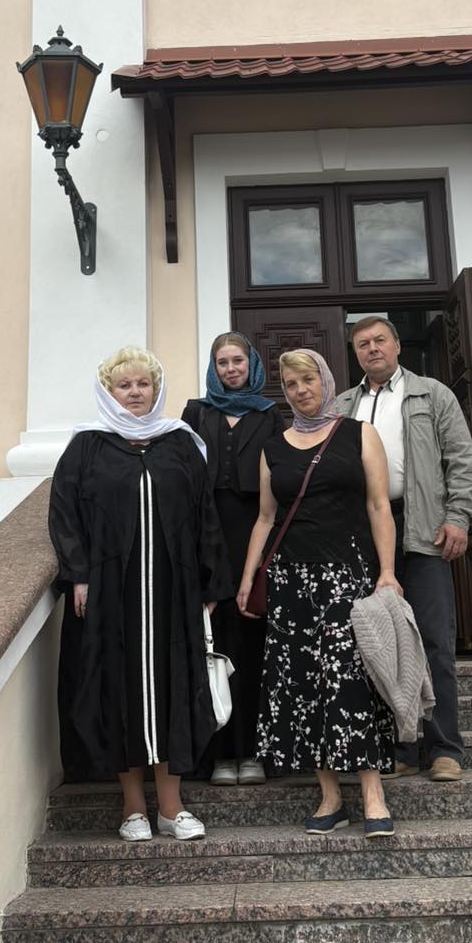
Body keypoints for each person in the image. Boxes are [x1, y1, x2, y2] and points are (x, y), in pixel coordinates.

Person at [48, 346, 232, 842]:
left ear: (156, 389)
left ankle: (171, 807)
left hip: (173, 592)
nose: (134, 393)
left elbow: (205, 516)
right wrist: (79, 575)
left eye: (143, 384)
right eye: (124, 385)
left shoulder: (180, 444)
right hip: (112, 595)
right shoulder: (87, 447)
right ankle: (133, 808)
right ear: (109, 392)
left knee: (174, 688)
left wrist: (210, 582)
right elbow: (64, 515)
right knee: (118, 690)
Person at [237, 347, 401, 837]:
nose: (300, 390)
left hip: (347, 577)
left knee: (352, 680)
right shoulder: (274, 448)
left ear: (325, 381)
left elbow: (379, 506)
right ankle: (330, 797)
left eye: (307, 380)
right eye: (291, 385)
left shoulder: (359, 434)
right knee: (302, 685)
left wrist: (387, 572)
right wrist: (247, 579)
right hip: (291, 582)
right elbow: (265, 518)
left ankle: (373, 794)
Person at [334, 316, 472, 783]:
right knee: (379, 641)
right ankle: (398, 747)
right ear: (355, 354)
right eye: (363, 344)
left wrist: (459, 516)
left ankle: (443, 748)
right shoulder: (343, 405)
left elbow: (461, 459)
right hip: (364, 537)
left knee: (433, 639)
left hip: (423, 529)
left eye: (380, 340)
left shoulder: (432, 395)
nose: (372, 349)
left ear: (397, 345)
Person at [181, 332, 281, 786]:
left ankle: (253, 752)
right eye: (222, 362)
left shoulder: (269, 414)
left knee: (253, 646)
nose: (231, 369)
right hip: (205, 538)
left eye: (238, 361)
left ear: (251, 364)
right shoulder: (195, 413)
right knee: (211, 645)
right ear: (213, 368)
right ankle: (218, 754)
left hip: (253, 537)